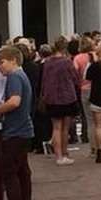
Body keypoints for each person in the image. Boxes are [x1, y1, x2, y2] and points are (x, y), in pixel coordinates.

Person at [0, 47, 34, 200]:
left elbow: (15, 101)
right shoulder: (22, 75)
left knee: (10, 172)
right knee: (22, 171)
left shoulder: (14, 76)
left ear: (13, 60)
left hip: (15, 131)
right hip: (24, 130)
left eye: (1, 62)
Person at [41, 36, 80, 166]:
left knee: (56, 128)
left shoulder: (47, 62)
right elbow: (75, 78)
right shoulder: (67, 62)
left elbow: (44, 80)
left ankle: (58, 156)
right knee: (65, 128)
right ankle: (64, 153)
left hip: (52, 97)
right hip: (67, 96)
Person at [74, 36, 95, 153]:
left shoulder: (78, 58)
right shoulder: (95, 56)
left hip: (84, 88)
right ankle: (100, 146)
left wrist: (79, 82)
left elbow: (74, 72)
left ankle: (93, 148)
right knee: (99, 121)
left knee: (89, 119)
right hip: (97, 88)